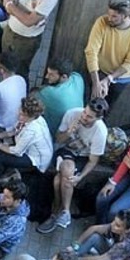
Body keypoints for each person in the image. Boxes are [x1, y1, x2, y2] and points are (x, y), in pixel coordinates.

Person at [39, 98, 110, 234]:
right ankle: (66, 211)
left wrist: (80, 177)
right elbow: (58, 139)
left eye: (89, 117)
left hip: (82, 157)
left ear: (98, 118)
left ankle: (55, 212)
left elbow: (93, 160)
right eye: (84, 112)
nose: (84, 117)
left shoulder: (100, 131)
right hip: (65, 151)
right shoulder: (72, 114)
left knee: (58, 181)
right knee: (67, 168)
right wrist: (69, 131)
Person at [0, 0, 58, 75]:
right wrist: (16, 8)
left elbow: (29, 21)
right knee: (5, 66)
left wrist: (11, 7)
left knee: (21, 70)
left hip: (27, 40)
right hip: (10, 30)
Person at [85, 0, 130, 105]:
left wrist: (109, 79)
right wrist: (96, 83)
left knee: (105, 109)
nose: (109, 18)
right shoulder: (102, 21)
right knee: (89, 104)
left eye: (114, 16)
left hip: (120, 77)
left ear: (125, 16)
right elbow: (91, 51)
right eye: (109, 14)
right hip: (98, 71)